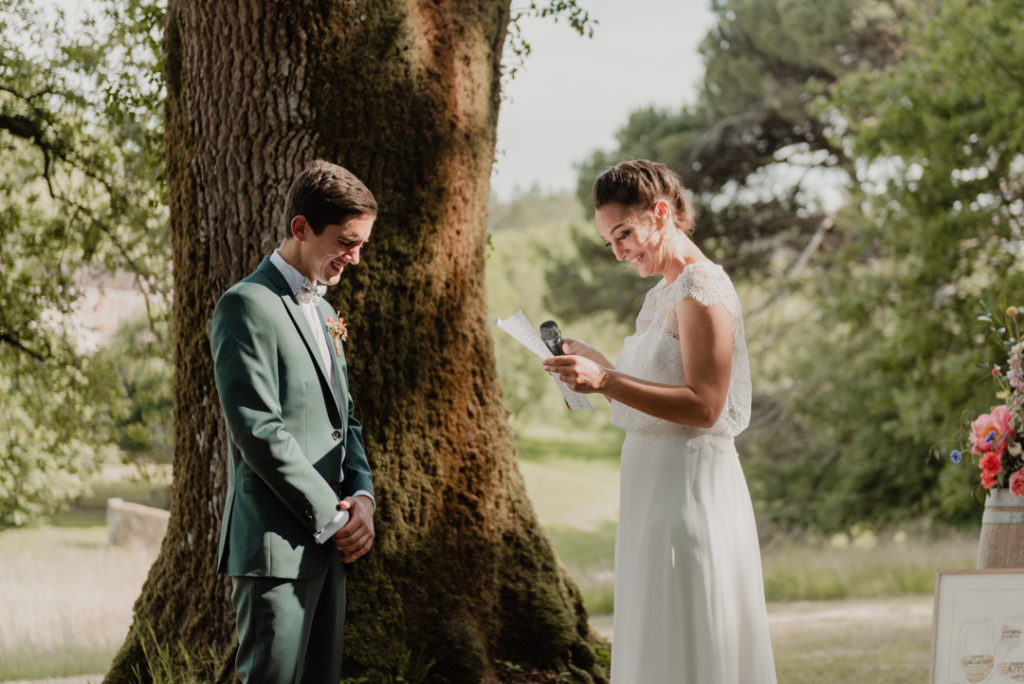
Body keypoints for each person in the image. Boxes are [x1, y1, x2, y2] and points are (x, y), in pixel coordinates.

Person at [543, 160, 777, 683]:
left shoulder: (702, 287)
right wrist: (597, 365)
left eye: (624, 234)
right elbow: (656, 393)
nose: (620, 251)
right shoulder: (659, 296)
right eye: (610, 242)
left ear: (662, 213)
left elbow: (704, 404)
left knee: (689, 627)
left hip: (690, 493)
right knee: (656, 632)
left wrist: (605, 381)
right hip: (650, 494)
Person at [210, 159, 377, 683]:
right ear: (300, 228)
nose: (354, 258)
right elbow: (257, 427)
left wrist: (364, 501)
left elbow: (343, 421)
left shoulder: (327, 315)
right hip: (275, 548)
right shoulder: (245, 305)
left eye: (361, 245)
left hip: (333, 545)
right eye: (346, 242)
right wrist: (334, 516)